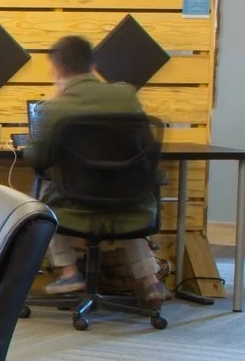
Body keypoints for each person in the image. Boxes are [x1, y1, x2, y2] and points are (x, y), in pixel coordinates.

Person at [25, 33, 166, 306]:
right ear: (92, 65)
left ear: (56, 68)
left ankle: (68, 271)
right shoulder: (126, 97)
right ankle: (150, 280)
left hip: (75, 207)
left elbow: (38, 159)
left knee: (42, 190)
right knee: (130, 192)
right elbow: (146, 148)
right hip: (130, 203)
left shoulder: (55, 108)